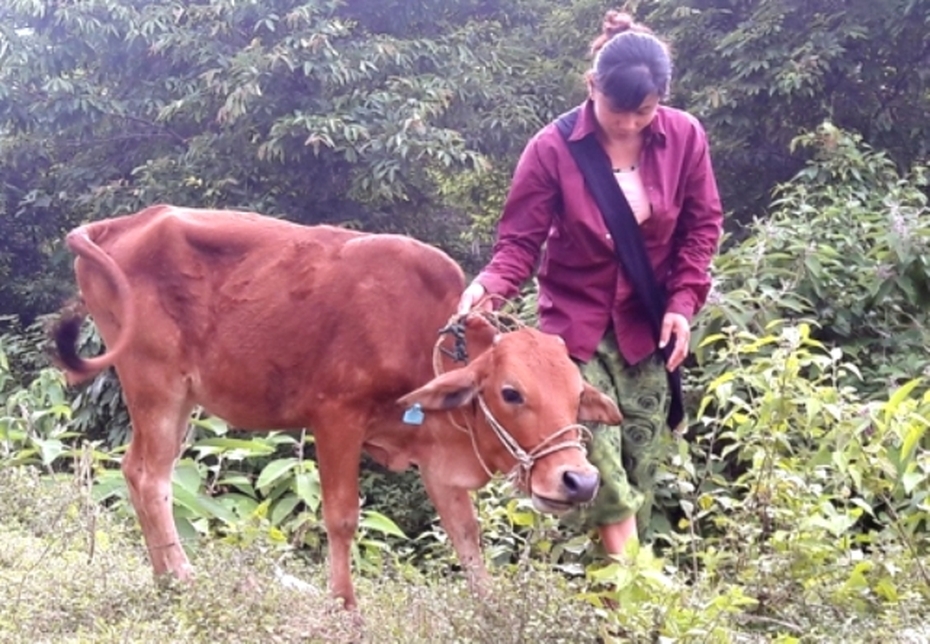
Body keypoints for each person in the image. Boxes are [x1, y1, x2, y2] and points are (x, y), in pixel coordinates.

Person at [457, 10, 723, 557]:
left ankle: (615, 604)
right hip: (573, 330)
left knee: (639, 470)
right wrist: (489, 288)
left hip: (647, 327)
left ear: (661, 102)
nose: (628, 124)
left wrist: (682, 303)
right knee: (593, 454)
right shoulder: (552, 149)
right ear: (591, 87)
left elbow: (702, 227)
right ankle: (632, 585)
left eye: (643, 113)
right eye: (616, 111)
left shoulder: (684, 137)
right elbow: (519, 244)